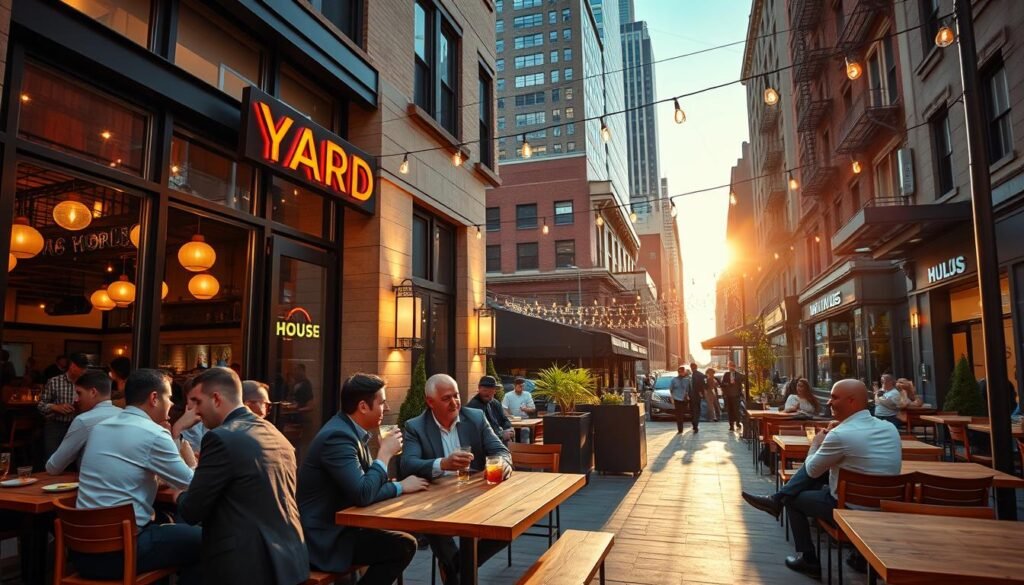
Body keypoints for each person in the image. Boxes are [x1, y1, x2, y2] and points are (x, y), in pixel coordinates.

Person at [740, 379, 901, 578]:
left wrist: (816, 444)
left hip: (848, 508)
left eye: (834, 398)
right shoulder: (890, 429)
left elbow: (812, 469)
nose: (829, 403)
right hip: (885, 507)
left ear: (852, 402)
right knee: (825, 475)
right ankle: (858, 556)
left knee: (793, 500)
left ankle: (808, 559)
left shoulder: (841, 435)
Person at [178, 367, 309, 585]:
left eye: (198, 402)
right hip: (291, 557)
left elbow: (192, 510)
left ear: (216, 399)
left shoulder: (220, 438)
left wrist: (178, 495)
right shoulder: (275, 433)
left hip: (246, 566)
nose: (195, 411)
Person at [73, 369, 200, 583]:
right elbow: (193, 484)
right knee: (209, 540)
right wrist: (183, 445)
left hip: (81, 552)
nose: (171, 403)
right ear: (154, 398)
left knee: (167, 529)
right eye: (168, 397)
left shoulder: (100, 428)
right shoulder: (153, 433)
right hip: (121, 552)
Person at [299, 373, 427, 584]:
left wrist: (397, 486)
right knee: (403, 545)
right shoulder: (338, 437)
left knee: (399, 541)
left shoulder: (351, 431)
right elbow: (363, 493)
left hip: (344, 529)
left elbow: (368, 486)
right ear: (363, 406)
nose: (386, 409)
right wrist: (385, 455)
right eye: (382, 403)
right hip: (325, 539)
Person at [401, 374, 512, 585]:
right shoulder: (416, 426)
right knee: (435, 528)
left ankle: (456, 570)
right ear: (430, 402)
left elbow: (500, 450)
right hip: (435, 501)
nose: (454, 403)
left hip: (476, 495)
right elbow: (408, 464)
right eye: (446, 398)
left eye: (456, 395)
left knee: (505, 529)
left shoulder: (476, 417)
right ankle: (460, 573)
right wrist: (443, 463)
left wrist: (503, 464)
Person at [45, 370, 122, 474]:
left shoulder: (83, 421)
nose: (76, 399)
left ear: (93, 392)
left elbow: (54, 467)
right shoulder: (125, 415)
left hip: (92, 485)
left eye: (79, 393)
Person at [37, 352, 89, 461]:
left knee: (77, 460)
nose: (84, 371)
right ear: (72, 366)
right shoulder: (54, 381)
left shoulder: (86, 383)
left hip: (78, 425)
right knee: (53, 458)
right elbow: (41, 405)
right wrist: (55, 407)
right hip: (56, 426)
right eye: (82, 368)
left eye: (85, 368)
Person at [466, 375, 516, 443]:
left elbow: (504, 420)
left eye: (491, 390)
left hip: (500, 440)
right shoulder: (473, 407)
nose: (488, 394)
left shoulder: (495, 403)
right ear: (479, 389)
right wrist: (501, 436)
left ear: (495, 391)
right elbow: (480, 433)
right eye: (485, 390)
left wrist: (509, 428)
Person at [721, 361, 745, 432]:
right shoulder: (726, 374)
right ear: (728, 366)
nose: (731, 367)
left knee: (736, 410)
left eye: (733, 366)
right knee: (730, 411)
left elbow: (743, 381)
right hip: (728, 396)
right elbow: (722, 384)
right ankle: (731, 425)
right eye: (730, 366)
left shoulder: (739, 375)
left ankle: (738, 423)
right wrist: (727, 384)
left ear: (735, 367)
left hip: (736, 395)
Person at [669, 366, 692, 434]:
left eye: (682, 372)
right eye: (679, 372)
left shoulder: (687, 380)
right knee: (679, 415)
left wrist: (688, 396)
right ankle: (680, 429)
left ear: (684, 372)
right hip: (677, 399)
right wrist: (672, 398)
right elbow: (671, 389)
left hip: (684, 400)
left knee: (684, 414)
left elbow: (689, 389)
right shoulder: (674, 380)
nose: (681, 373)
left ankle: (684, 426)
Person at [689, 362, 706, 431]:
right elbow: (704, 384)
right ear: (696, 367)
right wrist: (701, 393)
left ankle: (694, 424)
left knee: (693, 410)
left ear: (691, 368)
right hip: (697, 396)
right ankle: (695, 424)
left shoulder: (692, 375)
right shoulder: (700, 375)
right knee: (696, 410)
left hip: (692, 396)